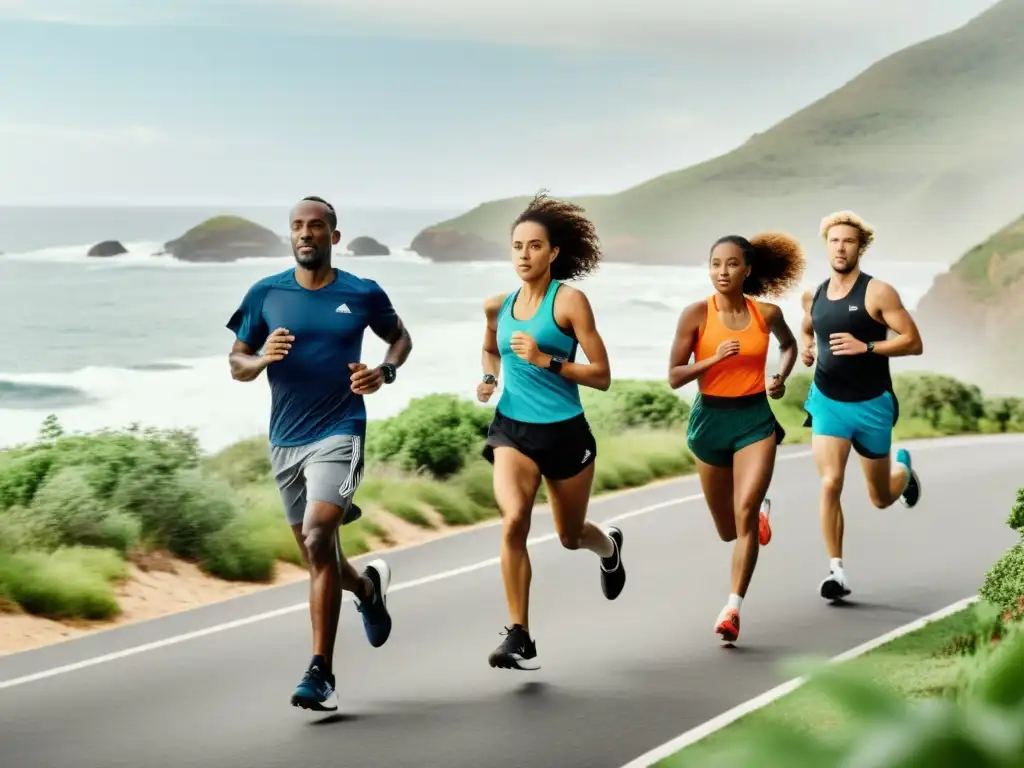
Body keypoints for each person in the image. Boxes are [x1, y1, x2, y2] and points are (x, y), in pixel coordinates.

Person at [225, 195, 413, 710]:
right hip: (285, 439)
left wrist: (385, 370)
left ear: (334, 236)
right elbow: (236, 363)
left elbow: (400, 338)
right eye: (296, 227)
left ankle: (321, 674)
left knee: (317, 532)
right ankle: (367, 590)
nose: (305, 233)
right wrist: (262, 358)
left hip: (341, 427)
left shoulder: (362, 292)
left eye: (316, 226)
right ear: (290, 236)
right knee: (317, 554)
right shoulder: (265, 293)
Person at [476, 192, 625, 671]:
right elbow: (490, 350)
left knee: (570, 534)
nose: (524, 254)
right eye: (517, 245)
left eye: (534, 246)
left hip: (565, 434)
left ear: (553, 252)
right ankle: (519, 634)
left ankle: (609, 547)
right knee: (514, 518)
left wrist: (548, 361)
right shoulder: (498, 305)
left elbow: (601, 375)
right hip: (513, 430)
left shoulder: (571, 302)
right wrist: (488, 377)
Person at [667, 232, 804, 644]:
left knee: (742, 515)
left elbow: (789, 346)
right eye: (715, 264)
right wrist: (713, 358)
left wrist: (779, 377)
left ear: (747, 270)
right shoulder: (695, 315)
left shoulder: (767, 313)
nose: (721, 271)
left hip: (754, 420)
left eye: (730, 264)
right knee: (728, 530)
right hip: (709, 421)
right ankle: (758, 511)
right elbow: (674, 377)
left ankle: (732, 608)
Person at [800, 210, 923, 602]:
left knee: (880, 498)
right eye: (834, 240)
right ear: (827, 244)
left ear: (860, 247)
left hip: (872, 406)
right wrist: (806, 348)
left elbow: (913, 341)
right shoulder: (814, 293)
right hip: (827, 403)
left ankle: (903, 469)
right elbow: (809, 326)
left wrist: (866, 347)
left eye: (848, 241)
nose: (840, 247)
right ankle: (836, 570)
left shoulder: (878, 293)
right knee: (830, 482)